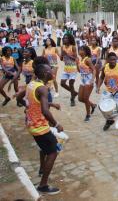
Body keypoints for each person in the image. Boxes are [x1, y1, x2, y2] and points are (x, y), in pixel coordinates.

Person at [25, 63, 63, 195]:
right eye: (50, 70)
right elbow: (45, 111)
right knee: (53, 152)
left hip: (31, 124)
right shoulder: (42, 88)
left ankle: (42, 168)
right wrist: (57, 124)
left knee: (44, 147)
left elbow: (23, 98)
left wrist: (51, 103)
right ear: (46, 73)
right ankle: (43, 185)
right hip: (39, 127)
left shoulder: (32, 84)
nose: (52, 71)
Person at [96, 52, 118, 131]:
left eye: (115, 59)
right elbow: (101, 77)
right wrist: (98, 86)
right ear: (107, 60)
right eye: (111, 60)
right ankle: (109, 120)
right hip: (108, 91)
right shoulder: (105, 67)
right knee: (101, 106)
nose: (113, 61)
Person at [77, 45, 96, 122]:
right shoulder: (81, 59)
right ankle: (93, 105)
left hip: (88, 80)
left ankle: (88, 115)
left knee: (85, 98)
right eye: (79, 50)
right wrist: (76, 63)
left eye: (81, 50)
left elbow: (94, 70)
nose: (79, 51)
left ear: (85, 51)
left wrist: (92, 80)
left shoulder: (87, 60)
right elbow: (79, 71)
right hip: (83, 80)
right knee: (80, 98)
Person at [60, 34, 78, 106]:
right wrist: (62, 55)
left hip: (73, 68)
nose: (64, 40)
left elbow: (75, 58)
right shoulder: (62, 47)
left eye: (66, 38)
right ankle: (74, 92)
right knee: (62, 83)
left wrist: (67, 54)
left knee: (71, 84)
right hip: (66, 67)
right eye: (64, 38)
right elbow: (61, 59)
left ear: (70, 39)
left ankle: (72, 99)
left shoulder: (73, 47)